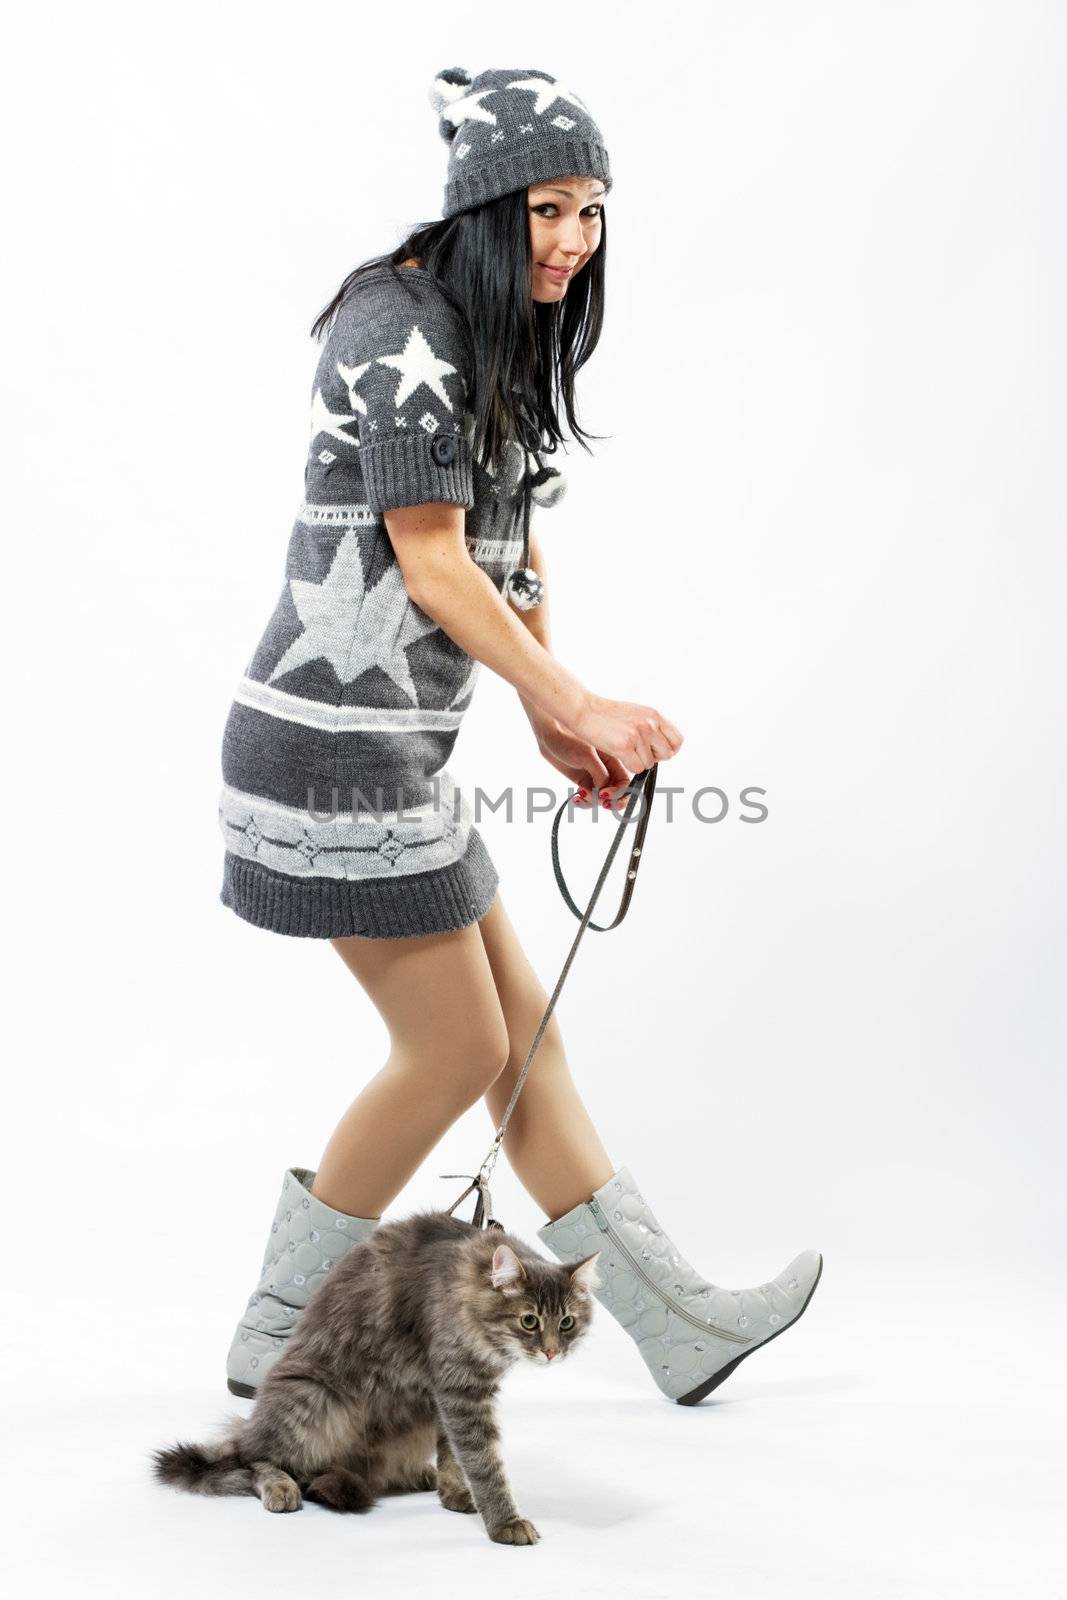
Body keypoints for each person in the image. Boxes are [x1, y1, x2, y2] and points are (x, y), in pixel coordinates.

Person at [218, 66, 822, 1408]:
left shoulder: (495, 330)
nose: (572, 242)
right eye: (549, 208)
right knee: (459, 1052)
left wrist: (561, 712)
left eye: (593, 212)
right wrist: (569, 703)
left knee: (524, 1039)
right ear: (488, 206)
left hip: (397, 758)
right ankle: (279, 1338)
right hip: (326, 757)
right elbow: (433, 568)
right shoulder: (396, 325)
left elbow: (513, 543)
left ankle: (676, 1322)